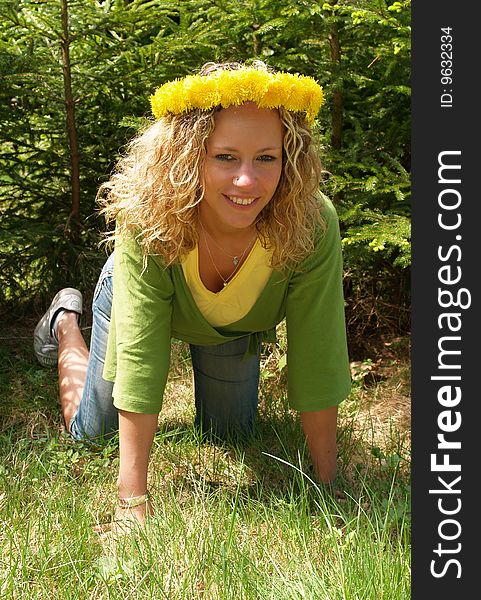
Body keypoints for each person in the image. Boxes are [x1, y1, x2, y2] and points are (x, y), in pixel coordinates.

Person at [33, 61, 351, 527]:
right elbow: (142, 358)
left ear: (290, 159)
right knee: (92, 431)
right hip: (131, 295)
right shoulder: (149, 217)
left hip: (230, 327)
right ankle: (65, 321)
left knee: (230, 435)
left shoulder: (311, 221)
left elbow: (317, 349)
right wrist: (131, 505)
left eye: (267, 157)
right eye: (225, 157)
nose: (248, 180)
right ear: (189, 157)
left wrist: (328, 485)